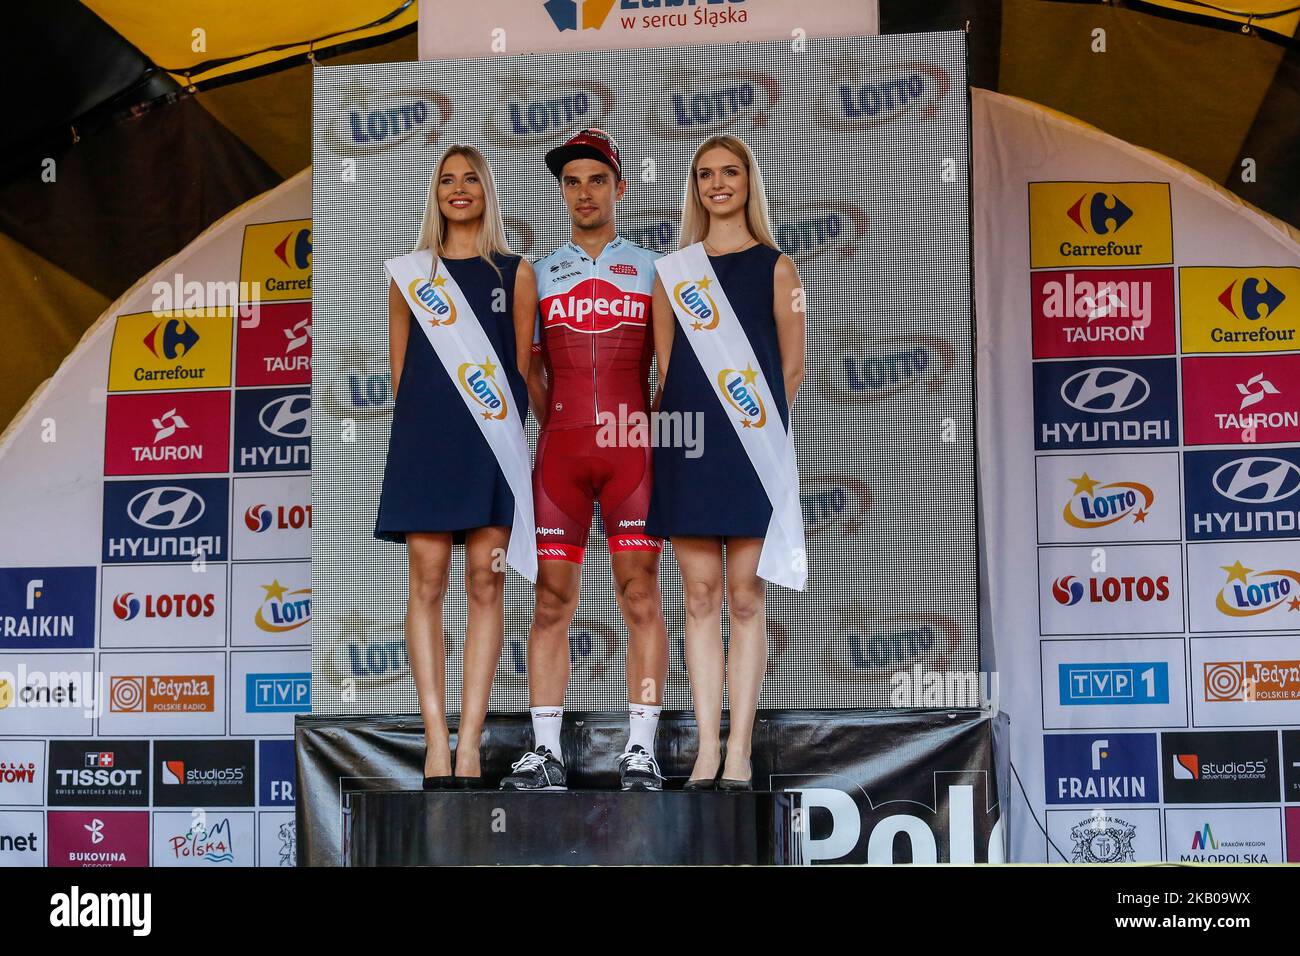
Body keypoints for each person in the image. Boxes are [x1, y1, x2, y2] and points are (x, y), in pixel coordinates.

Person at [499, 128, 670, 791]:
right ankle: (546, 754)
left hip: (633, 452)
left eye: (597, 179)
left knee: (640, 596)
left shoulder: (655, 266)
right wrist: (563, 425)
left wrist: (637, 430)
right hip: (562, 452)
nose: (584, 192)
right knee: (549, 604)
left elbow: (669, 369)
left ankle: (642, 750)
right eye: (572, 182)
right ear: (561, 192)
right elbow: (527, 369)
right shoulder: (536, 274)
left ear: (620, 187)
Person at [645, 134, 807, 791]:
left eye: (730, 172)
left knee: (745, 597)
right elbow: (665, 370)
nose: (718, 183)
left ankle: (739, 750)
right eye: (706, 173)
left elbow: (791, 368)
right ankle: (706, 750)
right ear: (695, 185)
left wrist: (758, 435)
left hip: (751, 448)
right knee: (700, 597)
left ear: (749, 181)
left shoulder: (778, 268)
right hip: (689, 447)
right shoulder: (671, 273)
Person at [376, 144, 537, 790]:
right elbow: (400, 374)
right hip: (427, 442)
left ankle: (469, 743)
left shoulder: (515, 274)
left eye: (471, 178)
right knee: (428, 580)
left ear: (487, 190)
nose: (460, 188)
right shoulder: (409, 275)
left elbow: (521, 376)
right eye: (448, 179)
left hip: (491, 445)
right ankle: (435, 743)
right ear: (435, 193)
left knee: (486, 584)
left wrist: (490, 432)